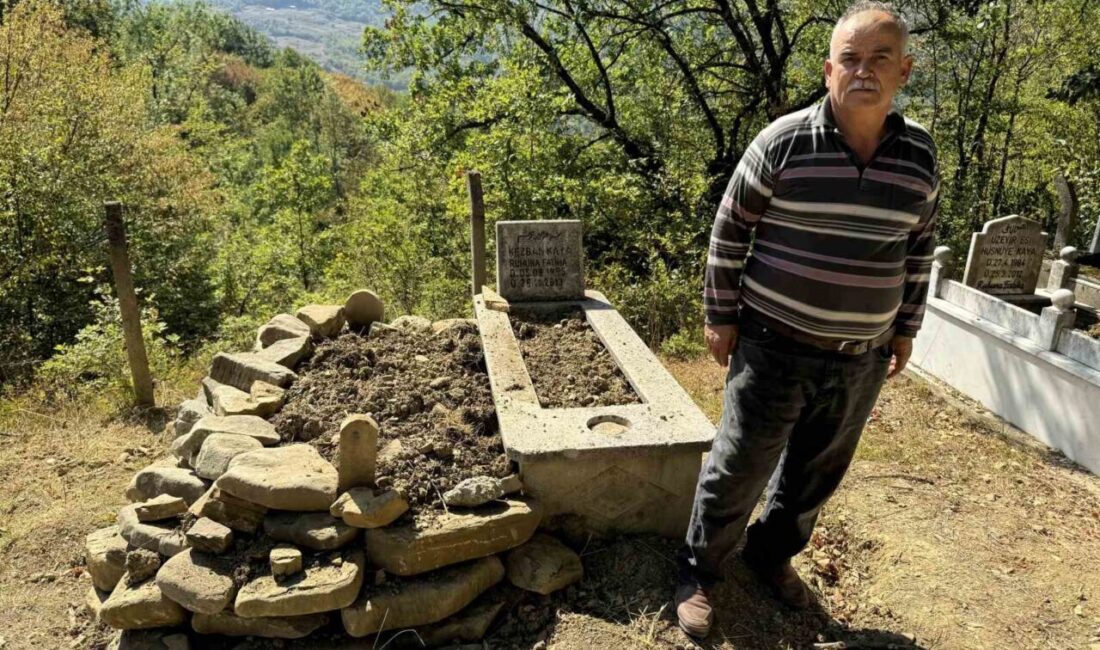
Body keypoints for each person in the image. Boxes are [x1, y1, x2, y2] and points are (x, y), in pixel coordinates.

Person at [674, 0, 939, 638]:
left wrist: (905, 328)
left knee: (817, 474)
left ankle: (770, 557)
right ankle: (699, 570)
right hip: (772, 342)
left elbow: (919, 247)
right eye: (850, 58)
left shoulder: (920, 157)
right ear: (829, 70)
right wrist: (720, 315)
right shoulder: (784, 141)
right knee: (740, 464)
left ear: (903, 71)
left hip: (861, 355)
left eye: (880, 58)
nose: (864, 71)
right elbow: (730, 230)